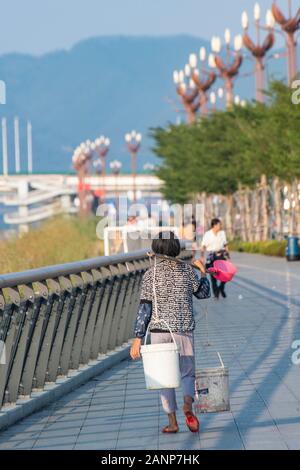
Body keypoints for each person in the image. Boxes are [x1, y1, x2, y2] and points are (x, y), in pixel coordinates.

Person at [130, 231, 210, 434]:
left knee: (163, 377)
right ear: (176, 249)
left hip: (159, 331)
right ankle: (187, 406)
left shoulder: (151, 275)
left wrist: (138, 338)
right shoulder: (186, 271)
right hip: (183, 329)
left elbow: (144, 309)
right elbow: (203, 293)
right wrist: (202, 273)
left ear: (156, 249)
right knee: (187, 373)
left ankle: (172, 423)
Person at [200, 218, 230, 299]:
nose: (220, 226)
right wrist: (202, 256)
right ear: (214, 225)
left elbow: (225, 245)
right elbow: (203, 246)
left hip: (221, 255)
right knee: (213, 275)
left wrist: (228, 256)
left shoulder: (222, 233)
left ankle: (221, 288)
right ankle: (216, 292)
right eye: (219, 224)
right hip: (211, 256)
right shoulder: (207, 234)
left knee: (225, 274)